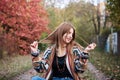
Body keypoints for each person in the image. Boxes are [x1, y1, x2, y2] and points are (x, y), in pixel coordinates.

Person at [30, 22, 96, 80]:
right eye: (69, 33)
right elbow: (41, 69)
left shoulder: (74, 50)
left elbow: (80, 70)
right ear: (61, 32)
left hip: (69, 79)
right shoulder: (50, 51)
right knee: (35, 79)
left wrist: (85, 52)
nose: (70, 36)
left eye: (72, 34)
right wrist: (35, 54)